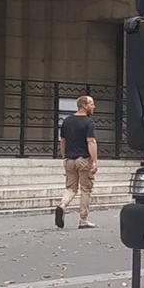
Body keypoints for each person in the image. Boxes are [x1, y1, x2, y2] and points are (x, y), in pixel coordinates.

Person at [56, 95, 98, 229]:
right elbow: (90, 141)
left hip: (69, 160)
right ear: (84, 106)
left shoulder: (67, 121)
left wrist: (64, 156)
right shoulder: (88, 122)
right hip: (83, 160)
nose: (93, 106)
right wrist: (94, 161)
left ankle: (62, 205)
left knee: (71, 188)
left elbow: (62, 141)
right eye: (91, 104)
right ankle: (83, 220)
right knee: (86, 189)